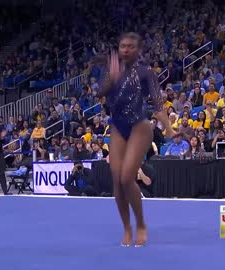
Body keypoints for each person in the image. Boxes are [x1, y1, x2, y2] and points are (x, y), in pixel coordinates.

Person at [94, 32, 174, 247]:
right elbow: (99, 93)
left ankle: (140, 224)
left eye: (130, 46)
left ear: (138, 50)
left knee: (127, 176)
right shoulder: (111, 72)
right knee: (118, 184)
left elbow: (157, 104)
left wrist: (168, 128)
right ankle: (127, 228)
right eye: (122, 46)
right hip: (118, 127)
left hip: (140, 126)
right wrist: (110, 75)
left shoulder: (145, 73)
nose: (126, 50)